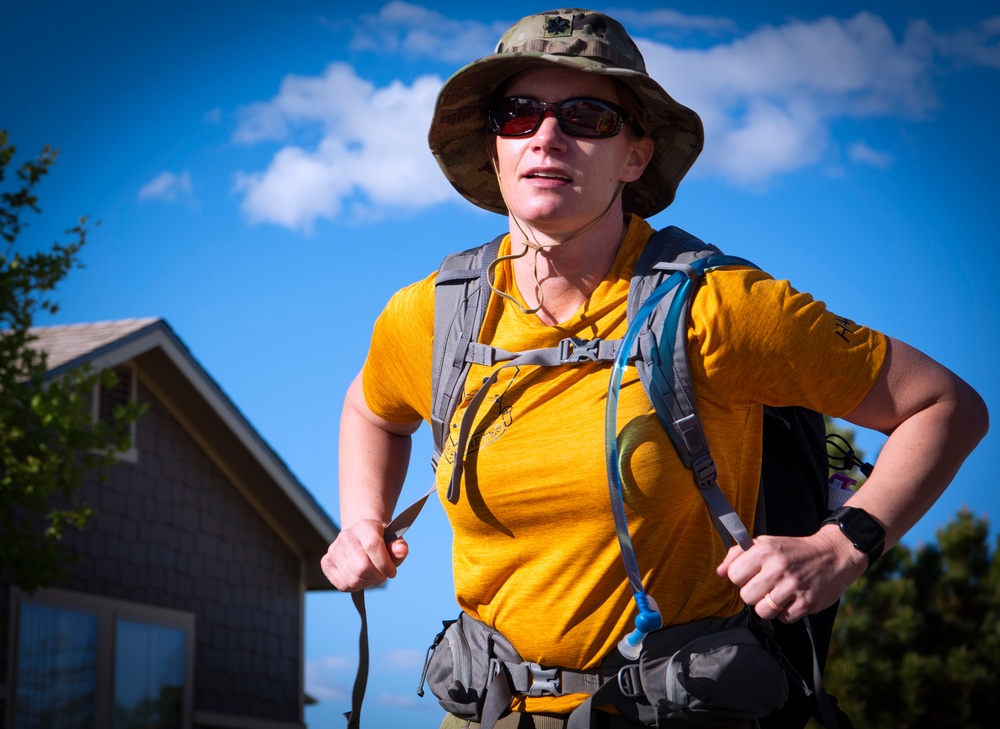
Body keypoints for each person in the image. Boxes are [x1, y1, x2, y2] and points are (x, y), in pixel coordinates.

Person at [321, 8, 988, 729]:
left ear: (636, 155)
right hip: (488, 709)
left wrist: (844, 545)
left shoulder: (716, 308)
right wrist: (361, 521)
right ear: (493, 147)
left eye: (586, 117)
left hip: (675, 709)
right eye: (519, 114)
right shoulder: (433, 315)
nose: (547, 136)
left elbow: (945, 405)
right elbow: (373, 409)